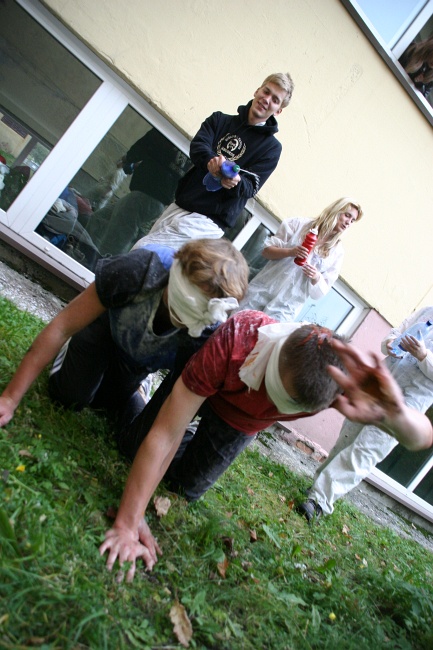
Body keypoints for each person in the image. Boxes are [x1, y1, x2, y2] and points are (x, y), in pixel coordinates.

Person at [98, 314, 433, 582]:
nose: (268, 401)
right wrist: (128, 522)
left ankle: (192, 439)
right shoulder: (237, 339)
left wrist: (395, 413)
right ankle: (139, 396)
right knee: (134, 447)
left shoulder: (338, 379)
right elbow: (166, 435)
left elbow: (420, 438)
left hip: (239, 422)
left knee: (186, 487)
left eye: (284, 402)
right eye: (272, 389)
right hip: (204, 380)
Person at [0, 238, 248, 427]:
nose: (182, 319)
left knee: (106, 406)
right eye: (182, 305)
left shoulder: (207, 333)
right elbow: (63, 325)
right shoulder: (140, 269)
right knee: (69, 397)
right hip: (107, 329)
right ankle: (73, 354)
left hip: (141, 360)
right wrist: (10, 398)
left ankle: (139, 383)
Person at [297, 305, 433, 522]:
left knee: (368, 448)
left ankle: (320, 501)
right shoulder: (428, 311)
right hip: (382, 380)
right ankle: (317, 487)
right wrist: (390, 342)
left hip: (408, 400)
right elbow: (399, 330)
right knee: (348, 436)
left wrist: (424, 356)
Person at [132, 72, 294, 251]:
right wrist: (212, 161)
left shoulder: (271, 148)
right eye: (266, 91)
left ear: (278, 111)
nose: (267, 99)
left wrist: (235, 181)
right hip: (181, 204)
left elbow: (250, 186)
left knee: (142, 250)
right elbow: (198, 146)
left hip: (208, 222)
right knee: (155, 264)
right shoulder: (219, 120)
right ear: (257, 91)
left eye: (275, 100)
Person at [238, 198, 362, 322]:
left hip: (286, 307)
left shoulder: (336, 252)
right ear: (336, 210)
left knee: (265, 334)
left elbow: (320, 293)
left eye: (352, 220)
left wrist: (316, 276)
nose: (348, 222)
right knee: (237, 326)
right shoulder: (298, 224)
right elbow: (266, 252)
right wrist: (290, 252)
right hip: (262, 290)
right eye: (347, 215)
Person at [85, 128, 192, 256]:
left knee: (116, 240)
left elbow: (145, 144)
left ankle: (101, 263)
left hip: (144, 196)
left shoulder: (166, 132)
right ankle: (87, 253)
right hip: (156, 201)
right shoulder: (191, 149)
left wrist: (129, 158)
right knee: (99, 219)